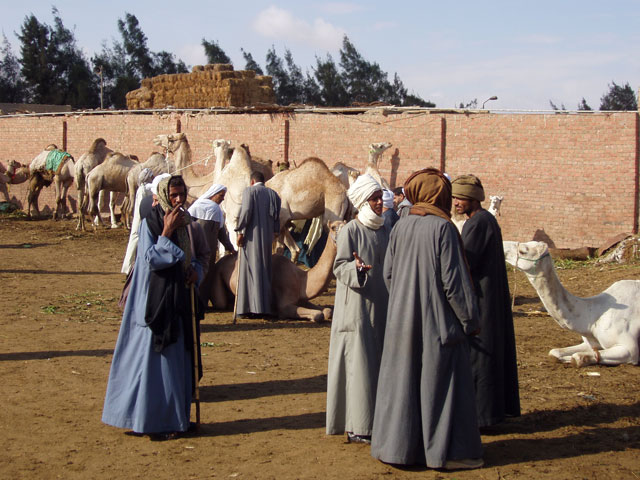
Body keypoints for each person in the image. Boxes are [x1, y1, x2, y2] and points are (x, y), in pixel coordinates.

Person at [371, 168, 483, 470]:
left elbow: (388, 274)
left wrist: (404, 304)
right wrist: (470, 321)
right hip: (437, 324)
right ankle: (446, 455)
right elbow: (454, 285)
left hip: (401, 323)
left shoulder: (402, 225)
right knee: (440, 388)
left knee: (403, 384)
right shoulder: (443, 229)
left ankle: (397, 450)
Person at [102, 175, 210, 439]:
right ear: (163, 196)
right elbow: (151, 259)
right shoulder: (150, 222)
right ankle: (152, 422)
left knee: (179, 361)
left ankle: (177, 420)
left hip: (180, 299)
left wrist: (195, 272)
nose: (179, 200)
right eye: (173, 195)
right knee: (154, 361)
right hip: (154, 300)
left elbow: (195, 257)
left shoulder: (187, 222)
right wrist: (166, 232)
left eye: (182, 194)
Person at [452, 174, 520, 428]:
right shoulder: (484, 220)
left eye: (461, 198)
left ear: (474, 199)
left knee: (481, 358)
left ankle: (483, 418)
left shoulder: (478, 223)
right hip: (489, 298)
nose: (456, 202)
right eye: (455, 197)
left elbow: (465, 262)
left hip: (483, 301)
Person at [326, 174, 389, 445]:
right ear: (363, 201)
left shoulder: (385, 229)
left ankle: (378, 423)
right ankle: (357, 426)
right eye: (374, 199)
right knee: (359, 366)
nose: (379, 203)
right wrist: (357, 269)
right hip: (356, 309)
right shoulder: (351, 230)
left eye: (380, 198)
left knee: (378, 364)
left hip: (382, 307)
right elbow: (339, 266)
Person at [234, 171, 281, 317]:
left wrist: (240, 230)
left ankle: (247, 308)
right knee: (264, 269)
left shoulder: (249, 191)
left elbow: (246, 211)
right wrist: (275, 231)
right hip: (267, 239)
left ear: (252, 181)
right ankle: (264, 307)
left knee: (249, 269)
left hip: (251, 237)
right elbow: (277, 217)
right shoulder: (273, 195)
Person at [188, 183, 235, 307]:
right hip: (200, 249)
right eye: (221, 195)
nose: (222, 199)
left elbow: (221, 233)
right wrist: (230, 247)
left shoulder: (199, 207)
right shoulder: (213, 209)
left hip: (203, 250)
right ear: (213, 195)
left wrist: (230, 248)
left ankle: (198, 303)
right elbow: (221, 234)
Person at [121, 168, 156, 275]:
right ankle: (128, 267)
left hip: (142, 217)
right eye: (151, 176)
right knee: (135, 238)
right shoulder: (143, 190)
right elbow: (141, 206)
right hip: (140, 218)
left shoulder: (146, 188)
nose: (153, 177)